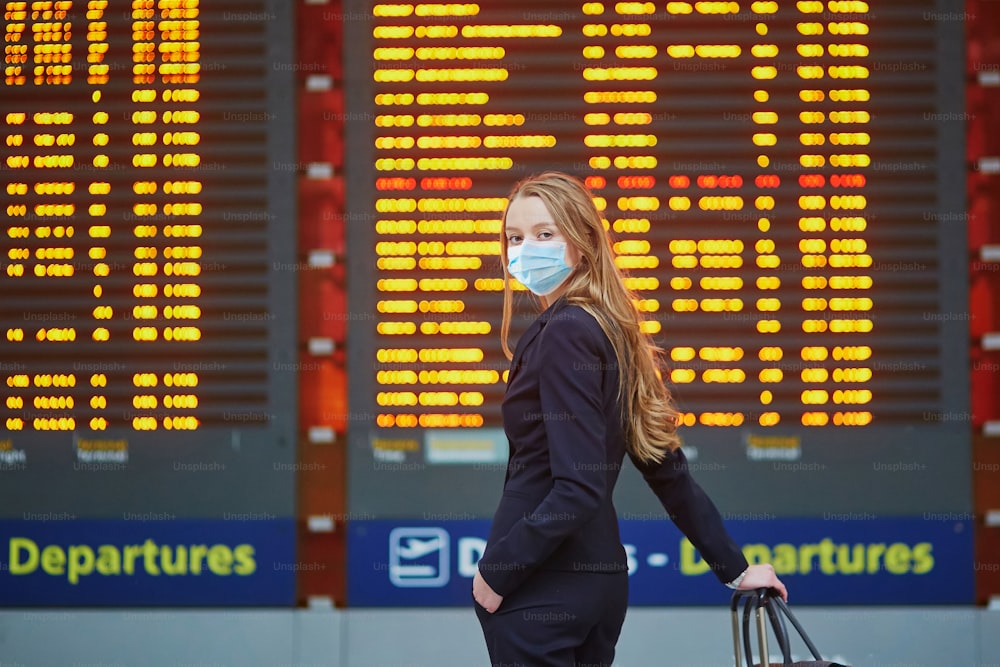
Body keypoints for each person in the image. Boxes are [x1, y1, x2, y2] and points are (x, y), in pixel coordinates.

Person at [472, 171, 787, 667]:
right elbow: (660, 458)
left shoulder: (564, 331)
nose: (524, 248)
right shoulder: (608, 328)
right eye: (515, 237)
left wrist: (497, 572)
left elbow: (578, 487)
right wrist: (734, 567)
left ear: (584, 243)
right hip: (598, 588)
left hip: (541, 586)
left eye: (544, 234)